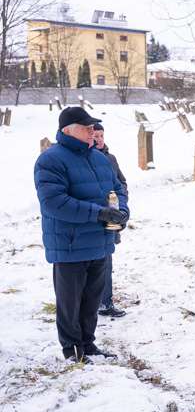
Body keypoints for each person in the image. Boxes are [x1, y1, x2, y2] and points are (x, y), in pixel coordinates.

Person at [34, 107, 129, 364]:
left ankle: (88, 344)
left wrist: (122, 211)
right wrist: (99, 213)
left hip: (99, 242)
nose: (92, 132)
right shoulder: (51, 160)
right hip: (70, 245)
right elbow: (54, 202)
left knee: (91, 301)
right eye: (86, 128)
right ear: (67, 130)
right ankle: (73, 350)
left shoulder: (99, 158)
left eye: (93, 128)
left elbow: (118, 188)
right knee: (70, 303)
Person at [92, 123, 128, 318]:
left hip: (111, 216)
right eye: (95, 135)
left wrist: (120, 202)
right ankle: (91, 303)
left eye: (102, 135)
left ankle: (105, 303)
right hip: (94, 215)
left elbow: (121, 182)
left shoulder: (110, 159)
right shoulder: (85, 159)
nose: (99, 139)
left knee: (107, 260)